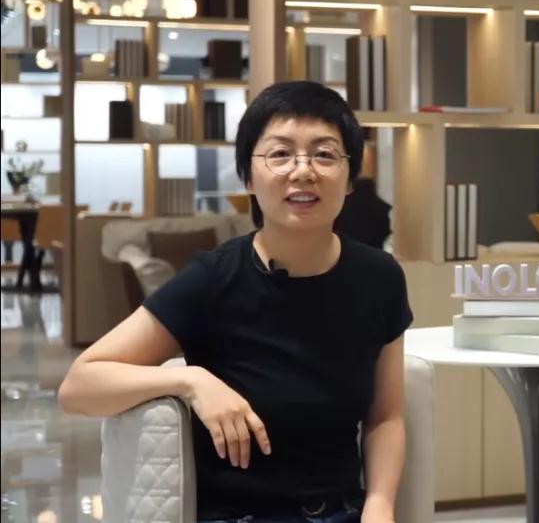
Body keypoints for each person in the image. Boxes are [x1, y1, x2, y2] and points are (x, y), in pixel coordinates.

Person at [59, 81, 412, 523]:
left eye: (324, 154)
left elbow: (385, 417)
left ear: (350, 176)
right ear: (248, 177)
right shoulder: (213, 279)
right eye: (280, 154)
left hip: (339, 512)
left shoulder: (379, 278)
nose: (303, 171)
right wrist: (191, 380)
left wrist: (379, 504)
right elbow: (79, 388)